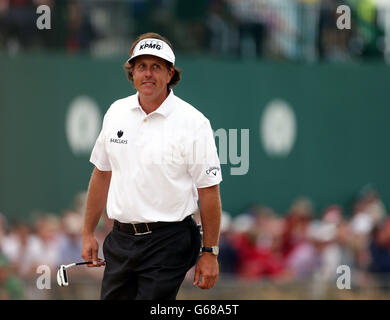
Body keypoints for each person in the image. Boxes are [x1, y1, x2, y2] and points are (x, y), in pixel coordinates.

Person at [81, 32, 223, 300]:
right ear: (132, 73)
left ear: (170, 74)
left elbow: (209, 191)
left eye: (156, 67)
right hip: (120, 239)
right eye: (141, 67)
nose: (148, 74)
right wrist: (88, 232)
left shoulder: (193, 123)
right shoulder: (116, 112)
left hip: (169, 240)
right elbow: (101, 174)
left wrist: (210, 252)